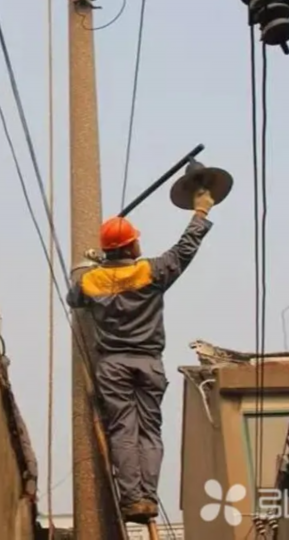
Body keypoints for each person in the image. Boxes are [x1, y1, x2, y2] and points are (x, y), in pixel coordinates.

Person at [67, 189, 215, 523]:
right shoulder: (150, 272)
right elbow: (184, 250)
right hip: (149, 363)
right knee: (149, 430)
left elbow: (73, 296)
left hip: (113, 365)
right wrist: (200, 213)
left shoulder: (92, 281)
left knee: (122, 429)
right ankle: (147, 497)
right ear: (132, 246)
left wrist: (91, 263)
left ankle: (131, 499)